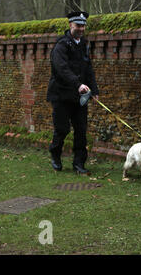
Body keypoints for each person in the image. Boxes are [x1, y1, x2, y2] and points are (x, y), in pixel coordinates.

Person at [47, 11, 99, 175]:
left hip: (80, 97)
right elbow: (61, 69)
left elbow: (88, 69)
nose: (81, 29)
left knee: (81, 130)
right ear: (70, 25)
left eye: (83, 26)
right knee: (62, 129)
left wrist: (94, 90)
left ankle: (79, 164)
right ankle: (55, 155)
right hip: (61, 95)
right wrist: (77, 84)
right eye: (78, 26)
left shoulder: (84, 44)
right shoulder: (61, 45)